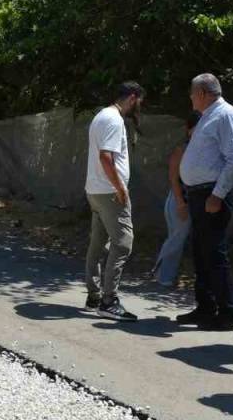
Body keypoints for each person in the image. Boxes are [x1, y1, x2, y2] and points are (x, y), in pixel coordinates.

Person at [177, 73, 233, 331]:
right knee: (201, 252)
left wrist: (217, 194)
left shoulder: (226, 114)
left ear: (204, 93)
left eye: (193, 93)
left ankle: (227, 313)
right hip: (199, 194)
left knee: (214, 253)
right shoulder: (208, 116)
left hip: (212, 194)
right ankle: (206, 307)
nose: (191, 98)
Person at [85, 81, 146, 322]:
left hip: (95, 190)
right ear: (132, 97)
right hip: (110, 192)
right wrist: (120, 188)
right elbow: (106, 157)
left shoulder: (100, 115)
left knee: (98, 242)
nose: (138, 106)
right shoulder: (114, 119)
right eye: (139, 101)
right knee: (122, 244)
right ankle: (109, 301)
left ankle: (94, 294)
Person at [150, 111, 201, 289]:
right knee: (177, 239)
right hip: (179, 200)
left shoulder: (200, 151)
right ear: (189, 129)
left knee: (178, 238)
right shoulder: (182, 149)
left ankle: (165, 275)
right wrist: (180, 203)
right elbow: (173, 178)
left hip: (189, 201)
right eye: (197, 127)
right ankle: (161, 274)